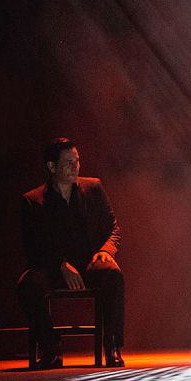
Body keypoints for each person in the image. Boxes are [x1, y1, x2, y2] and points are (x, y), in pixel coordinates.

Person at [18, 138, 125, 368]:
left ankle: (112, 344)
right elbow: (32, 246)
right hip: (52, 266)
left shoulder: (93, 188)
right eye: (68, 162)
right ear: (51, 166)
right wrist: (60, 264)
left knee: (113, 274)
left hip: (89, 261)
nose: (75, 167)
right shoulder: (33, 200)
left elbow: (113, 228)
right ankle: (50, 346)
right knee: (28, 284)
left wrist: (106, 251)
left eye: (76, 161)